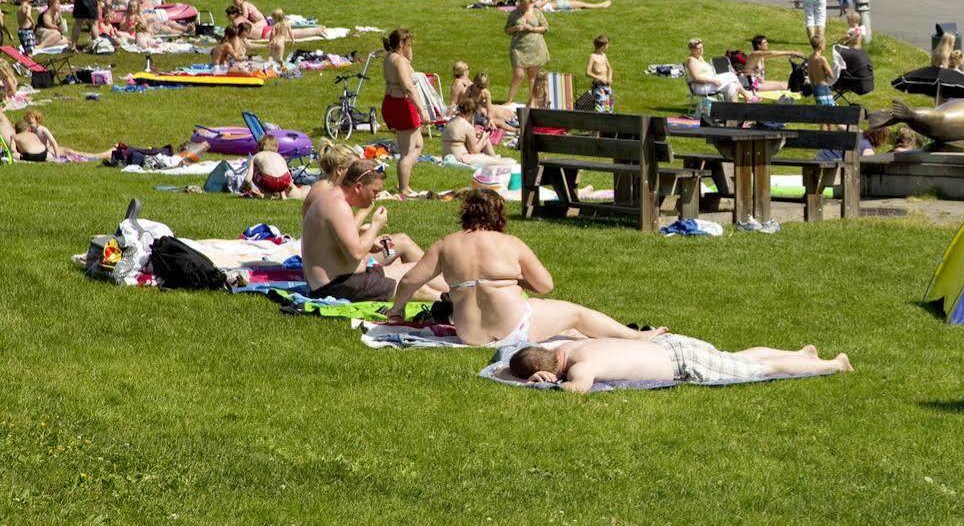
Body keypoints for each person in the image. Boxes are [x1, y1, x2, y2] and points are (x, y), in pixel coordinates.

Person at [382, 188, 650, 346]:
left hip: (468, 334)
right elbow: (546, 285)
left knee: (565, 324)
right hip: (512, 329)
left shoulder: (447, 244)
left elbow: (408, 281)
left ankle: (627, 335)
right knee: (575, 314)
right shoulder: (510, 244)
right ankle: (634, 336)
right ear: (499, 216)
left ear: (465, 215)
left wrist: (397, 311)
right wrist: (518, 281)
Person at [301, 158, 440, 302]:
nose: (377, 196)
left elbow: (339, 248)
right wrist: (375, 226)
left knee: (416, 270)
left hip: (346, 279)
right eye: (375, 191)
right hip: (336, 287)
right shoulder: (337, 205)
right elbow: (356, 254)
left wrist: (369, 242)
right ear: (358, 187)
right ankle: (452, 304)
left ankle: (459, 289)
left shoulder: (333, 199)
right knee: (415, 288)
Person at [509, 332, 849, 391]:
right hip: (670, 345)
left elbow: (577, 389)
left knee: (761, 370)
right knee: (736, 358)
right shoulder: (571, 345)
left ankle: (832, 365)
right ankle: (802, 355)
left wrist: (541, 383)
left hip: (683, 362)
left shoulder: (581, 368)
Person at [377, 28, 424, 197]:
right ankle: (404, 188)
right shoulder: (400, 62)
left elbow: (409, 59)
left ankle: (404, 180)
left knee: (418, 145)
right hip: (402, 104)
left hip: (390, 102)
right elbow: (408, 87)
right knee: (407, 151)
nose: (410, 47)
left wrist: (407, 49)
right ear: (402, 44)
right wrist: (422, 109)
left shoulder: (390, 57)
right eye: (408, 44)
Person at [502, 0, 549, 107]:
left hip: (535, 46)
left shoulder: (537, 13)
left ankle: (531, 101)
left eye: (526, 5)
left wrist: (532, 28)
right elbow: (506, 30)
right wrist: (515, 28)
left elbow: (546, 28)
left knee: (533, 76)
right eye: (521, 4)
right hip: (518, 48)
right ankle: (509, 100)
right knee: (519, 75)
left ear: (531, 3)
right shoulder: (514, 14)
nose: (523, 7)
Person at [684, 37, 744, 102]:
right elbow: (696, 78)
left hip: (709, 84)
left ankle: (732, 109)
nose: (701, 50)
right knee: (730, 75)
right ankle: (747, 95)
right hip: (701, 86)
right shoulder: (691, 61)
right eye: (698, 48)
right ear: (691, 49)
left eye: (702, 47)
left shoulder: (700, 57)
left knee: (732, 85)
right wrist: (713, 80)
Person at [584, 33, 614, 112]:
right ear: (602, 45)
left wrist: (609, 78)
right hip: (599, 86)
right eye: (607, 44)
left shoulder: (604, 56)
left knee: (609, 107)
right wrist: (599, 78)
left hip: (607, 86)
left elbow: (610, 68)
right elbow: (588, 72)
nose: (608, 46)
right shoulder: (592, 56)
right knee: (600, 107)